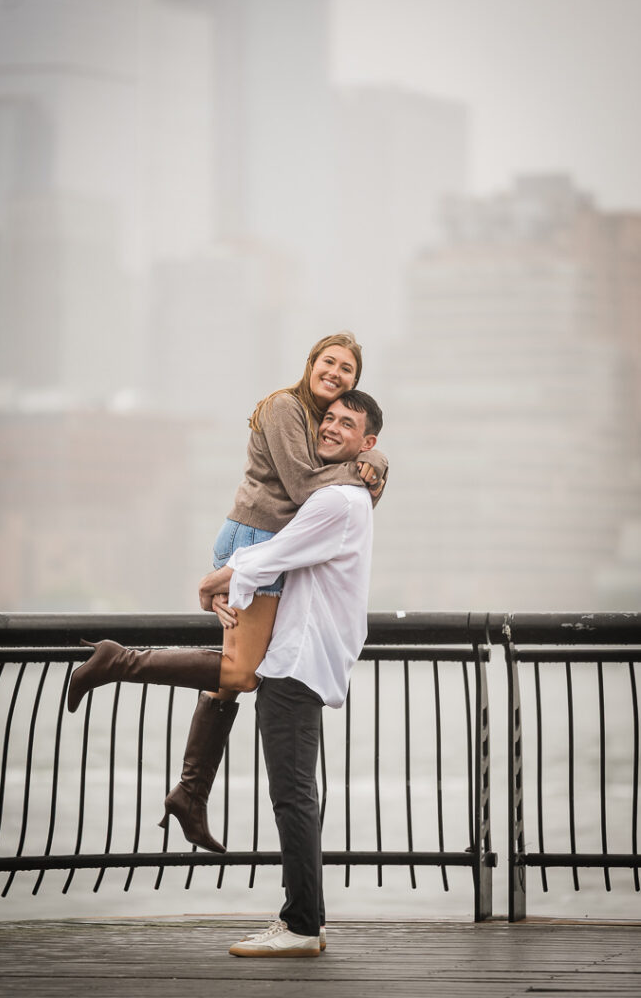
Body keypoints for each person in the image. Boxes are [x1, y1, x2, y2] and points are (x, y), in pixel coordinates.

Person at [67, 332, 387, 853]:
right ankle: (117, 661)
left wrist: (377, 459)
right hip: (258, 539)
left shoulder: (317, 420)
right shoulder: (286, 408)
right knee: (241, 671)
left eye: (347, 370)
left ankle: (190, 794)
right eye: (328, 362)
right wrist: (371, 469)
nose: (336, 374)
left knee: (231, 679)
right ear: (310, 364)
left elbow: (332, 472)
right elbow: (309, 488)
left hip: (269, 542)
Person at [197, 389, 384, 958]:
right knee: (295, 793)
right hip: (299, 657)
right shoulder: (345, 495)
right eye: (328, 419)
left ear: (366, 443)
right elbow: (283, 556)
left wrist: (217, 580)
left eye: (346, 424)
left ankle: (301, 925)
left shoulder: (338, 501)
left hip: (298, 661)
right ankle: (307, 921)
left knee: (293, 796)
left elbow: (273, 553)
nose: (331, 427)